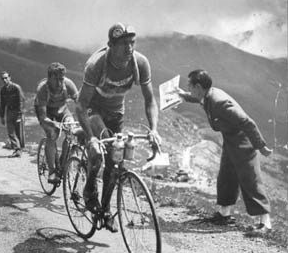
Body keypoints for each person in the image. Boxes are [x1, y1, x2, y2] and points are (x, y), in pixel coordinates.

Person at [77, 23, 160, 232]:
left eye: (132, 42)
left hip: (116, 112)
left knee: (114, 163)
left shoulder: (140, 63)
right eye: (123, 43)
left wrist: (154, 129)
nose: (129, 48)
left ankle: (104, 210)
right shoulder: (97, 65)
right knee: (98, 152)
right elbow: (80, 105)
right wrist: (91, 138)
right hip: (94, 109)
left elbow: (150, 100)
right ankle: (88, 193)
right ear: (111, 45)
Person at [178, 69, 273, 235]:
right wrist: (183, 95)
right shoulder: (207, 95)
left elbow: (247, 122)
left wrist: (261, 146)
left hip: (243, 143)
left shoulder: (219, 102)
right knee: (226, 176)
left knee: (250, 179)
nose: (189, 88)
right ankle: (224, 215)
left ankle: (265, 223)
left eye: (190, 86)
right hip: (231, 141)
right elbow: (197, 98)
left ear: (198, 86)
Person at [34, 62, 79, 183]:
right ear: (49, 78)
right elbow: (43, 117)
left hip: (62, 110)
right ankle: (52, 171)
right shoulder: (43, 89)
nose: (59, 83)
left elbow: (80, 103)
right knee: (53, 134)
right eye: (56, 79)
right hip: (46, 112)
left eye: (61, 79)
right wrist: (55, 125)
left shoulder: (68, 84)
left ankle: (64, 164)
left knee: (71, 131)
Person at [0, 71, 25, 157]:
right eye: (3, 78)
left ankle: (20, 149)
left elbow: (21, 101)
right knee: (10, 132)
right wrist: (2, 116)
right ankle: (17, 149)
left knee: (19, 132)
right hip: (9, 112)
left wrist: (20, 114)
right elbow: (2, 104)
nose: (4, 80)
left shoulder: (16, 87)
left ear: (10, 78)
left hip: (17, 111)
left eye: (6, 78)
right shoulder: (3, 90)